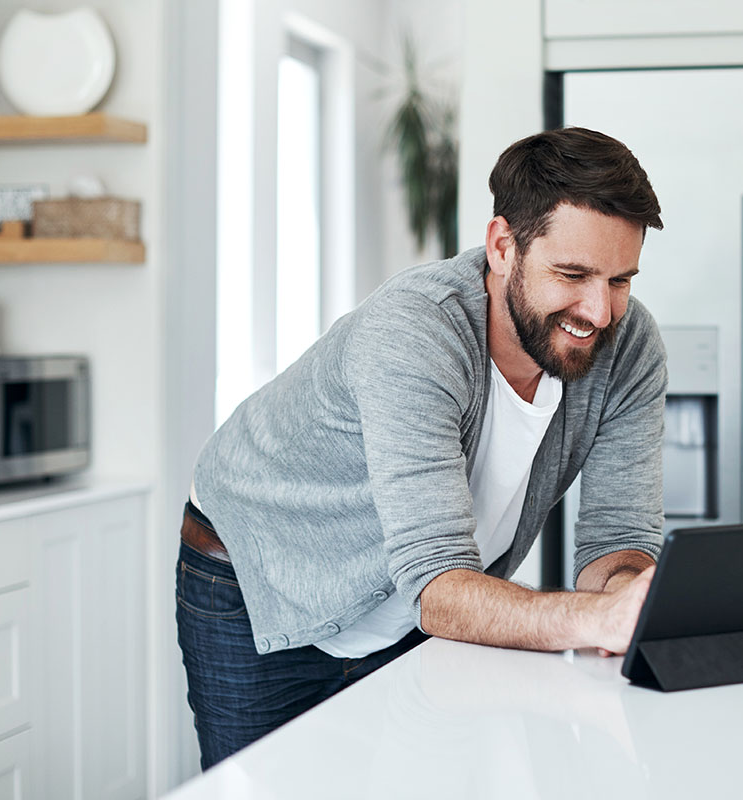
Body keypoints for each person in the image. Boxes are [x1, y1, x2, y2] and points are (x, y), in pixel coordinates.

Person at [176, 126, 667, 769]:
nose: (599, 312)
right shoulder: (414, 332)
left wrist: (630, 593)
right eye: (572, 274)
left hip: (423, 597)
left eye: (620, 280)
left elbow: (615, 540)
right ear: (501, 247)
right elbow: (437, 586)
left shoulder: (628, 348)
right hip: (262, 574)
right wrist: (592, 620)